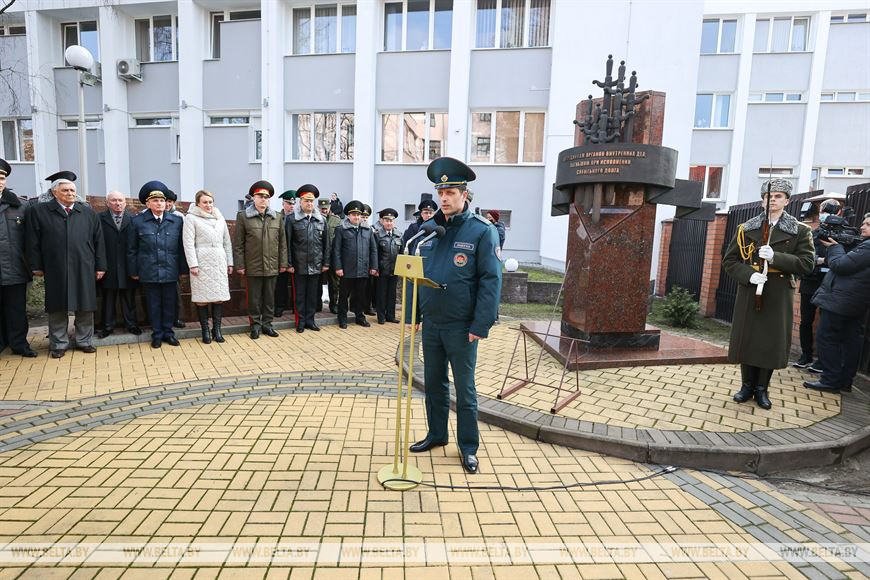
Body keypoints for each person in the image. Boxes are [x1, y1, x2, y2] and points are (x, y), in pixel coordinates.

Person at [408, 157, 502, 474]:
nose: (444, 198)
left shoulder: (481, 231)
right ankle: (436, 434)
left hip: (463, 328)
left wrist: (481, 324)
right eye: (441, 192)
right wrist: (413, 314)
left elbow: (491, 280)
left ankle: (468, 447)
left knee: (465, 390)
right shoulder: (428, 231)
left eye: (451, 192)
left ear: (464, 194)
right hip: (432, 324)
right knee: (433, 384)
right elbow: (415, 273)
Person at [723, 178, 814, 410]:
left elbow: (806, 264)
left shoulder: (800, 230)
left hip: (777, 292)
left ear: (787, 200)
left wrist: (776, 257)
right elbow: (730, 261)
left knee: (769, 341)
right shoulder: (746, 229)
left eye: (778, 196)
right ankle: (746, 386)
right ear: (762, 200)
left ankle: (762, 389)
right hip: (751, 288)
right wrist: (748, 275)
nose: (772, 200)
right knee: (749, 338)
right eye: (768, 196)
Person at [27, 171, 107, 358]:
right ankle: (59, 344)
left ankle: (84, 341)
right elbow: (33, 242)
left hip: (84, 266)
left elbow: (99, 242)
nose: (70, 193)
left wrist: (100, 266)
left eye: (72, 190)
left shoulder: (87, 213)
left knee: (85, 306)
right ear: (55, 192)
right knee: (57, 306)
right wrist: (36, 266)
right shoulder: (39, 212)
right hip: (56, 267)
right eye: (65, 190)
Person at [804, 213, 870, 394]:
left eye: (868, 224)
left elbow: (841, 265)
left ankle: (831, 380)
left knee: (826, 338)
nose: (863, 227)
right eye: (863, 223)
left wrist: (835, 247)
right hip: (853, 301)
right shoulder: (863, 245)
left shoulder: (868, 247)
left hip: (842, 301)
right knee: (849, 341)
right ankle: (843, 381)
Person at [127, 181, 187, 349]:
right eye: (155, 201)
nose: (160, 203)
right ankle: (157, 334)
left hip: (170, 269)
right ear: (148, 204)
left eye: (162, 200)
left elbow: (181, 248)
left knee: (169, 303)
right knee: (153, 304)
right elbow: (131, 249)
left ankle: (168, 333)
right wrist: (133, 270)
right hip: (149, 270)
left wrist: (182, 269)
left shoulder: (176, 221)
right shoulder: (137, 222)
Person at [233, 180, 288, 339]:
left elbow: (282, 243)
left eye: (266, 197)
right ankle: (255, 326)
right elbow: (238, 244)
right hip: (253, 265)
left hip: (272, 265)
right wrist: (240, 265)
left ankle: (267, 325)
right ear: (254, 198)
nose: (263, 199)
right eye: (260, 196)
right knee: (255, 299)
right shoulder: (244, 217)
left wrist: (283, 263)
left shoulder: (277, 217)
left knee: (270, 299)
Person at [793, 200, 842, 369]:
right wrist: (817, 261)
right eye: (824, 209)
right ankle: (805, 355)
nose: (826, 213)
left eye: (831, 210)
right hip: (810, 281)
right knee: (806, 320)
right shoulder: (812, 233)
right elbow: (803, 255)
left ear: (839, 212)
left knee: (826, 323)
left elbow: (844, 257)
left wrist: (825, 260)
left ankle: (822, 360)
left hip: (830, 284)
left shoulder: (843, 233)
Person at [183, 190, 233, 344]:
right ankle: (205, 330)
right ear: (198, 203)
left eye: (210, 202)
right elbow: (188, 243)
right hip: (201, 261)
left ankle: (217, 330)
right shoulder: (191, 218)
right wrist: (193, 264)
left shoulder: (219, 217)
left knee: (218, 298)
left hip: (219, 260)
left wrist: (230, 262)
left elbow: (227, 242)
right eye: (205, 202)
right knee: (202, 299)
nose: (208, 205)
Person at [0, 159, 36, 357]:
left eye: (2, 177)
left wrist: (33, 265)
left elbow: (31, 240)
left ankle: (19, 344)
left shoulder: (21, 206)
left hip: (15, 268)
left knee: (16, 310)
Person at [285, 184, 329, 333]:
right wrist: (289, 263)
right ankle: (300, 321)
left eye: (311, 201)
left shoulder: (322, 220)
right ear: (300, 202)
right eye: (306, 201)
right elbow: (288, 243)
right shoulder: (292, 219)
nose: (309, 204)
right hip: (299, 264)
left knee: (312, 296)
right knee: (300, 295)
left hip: (316, 263)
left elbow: (326, 244)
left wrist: (326, 262)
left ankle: (311, 320)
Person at [97, 191, 141, 338]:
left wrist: (135, 268)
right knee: (108, 299)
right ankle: (107, 327)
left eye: (121, 200)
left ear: (125, 202)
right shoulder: (99, 218)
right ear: (108, 203)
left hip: (128, 266)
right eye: (114, 200)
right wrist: (99, 266)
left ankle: (132, 325)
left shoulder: (133, 219)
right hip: (108, 266)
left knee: (129, 299)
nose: (118, 203)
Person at [332, 200, 378, 329]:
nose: (356, 217)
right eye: (353, 215)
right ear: (348, 216)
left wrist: (374, 267)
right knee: (344, 296)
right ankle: (342, 318)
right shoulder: (341, 229)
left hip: (363, 269)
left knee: (360, 295)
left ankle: (360, 317)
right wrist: (338, 267)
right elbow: (336, 250)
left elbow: (373, 250)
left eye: (358, 215)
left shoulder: (368, 230)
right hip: (347, 269)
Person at [373, 207, 403, 324]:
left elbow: (401, 253)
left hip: (394, 269)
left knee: (392, 294)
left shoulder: (399, 235)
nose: (389, 223)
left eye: (391, 221)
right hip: (382, 269)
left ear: (394, 222)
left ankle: (391, 316)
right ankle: (381, 317)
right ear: (382, 221)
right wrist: (375, 268)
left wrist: (401, 268)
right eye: (387, 220)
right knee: (381, 294)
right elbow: (374, 253)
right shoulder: (377, 235)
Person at [165, 189, 186, 329]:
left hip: (173, 261)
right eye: (165, 201)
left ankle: (176, 318)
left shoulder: (179, 217)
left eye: (169, 201)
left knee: (175, 293)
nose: (166, 204)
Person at [274, 190, 297, 318]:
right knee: (280, 285)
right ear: (283, 204)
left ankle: (295, 307)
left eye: (293, 203)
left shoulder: (298, 217)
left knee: (296, 285)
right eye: (289, 203)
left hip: (295, 255)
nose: (291, 205)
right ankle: (279, 307)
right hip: (281, 256)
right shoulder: (277, 217)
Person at [324, 195, 343, 313]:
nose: (324, 211)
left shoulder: (337, 220)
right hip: (318, 257)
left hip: (332, 256)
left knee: (334, 283)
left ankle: (333, 304)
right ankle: (316, 304)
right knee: (316, 283)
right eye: (322, 209)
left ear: (329, 207)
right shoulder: (316, 218)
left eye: (326, 208)